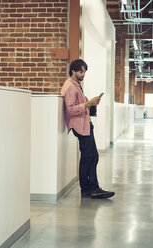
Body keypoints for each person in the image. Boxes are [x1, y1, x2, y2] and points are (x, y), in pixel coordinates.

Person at [61, 59, 115, 199]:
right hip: (80, 125)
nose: (83, 74)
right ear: (73, 71)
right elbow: (71, 110)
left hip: (85, 124)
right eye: (80, 71)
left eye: (84, 71)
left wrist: (88, 103)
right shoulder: (70, 87)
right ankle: (89, 189)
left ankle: (91, 188)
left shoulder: (76, 85)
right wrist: (87, 104)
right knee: (88, 157)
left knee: (93, 157)